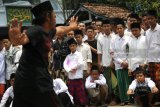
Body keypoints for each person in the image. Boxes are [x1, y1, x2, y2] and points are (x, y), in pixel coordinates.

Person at [8, 1, 78, 107]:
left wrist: (71, 27)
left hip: (22, 82)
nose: (55, 17)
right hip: (37, 82)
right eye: (54, 15)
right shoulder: (36, 30)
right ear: (48, 17)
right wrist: (15, 38)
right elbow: (21, 40)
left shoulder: (47, 31)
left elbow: (60, 29)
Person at [110, 18, 131, 106]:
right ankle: (123, 100)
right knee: (121, 82)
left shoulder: (129, 38)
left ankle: (129, 99)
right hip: (118, 64)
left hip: (128, 63)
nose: (119, 30)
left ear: (124, 28)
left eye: (121, 28)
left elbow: (131, 51)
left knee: (128, 81)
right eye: (117, 28)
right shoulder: (113, 39)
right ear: (116, 29)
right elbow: (112, 52)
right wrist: (121, 62)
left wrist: (126, 62)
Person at [63, 38, 88, 107]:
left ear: (76, 46)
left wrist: (74, 68)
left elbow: (80, 63)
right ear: (69, 47)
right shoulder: (68, 56)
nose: (72, 47)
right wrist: (69, 70)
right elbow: (65, 64)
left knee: (80, 92)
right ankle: (74, 104)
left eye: (73, 45)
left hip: (78, 76)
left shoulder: (79, 54)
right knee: (72, 92)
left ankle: (83, 104)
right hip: (71, 77)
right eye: (70, 46)